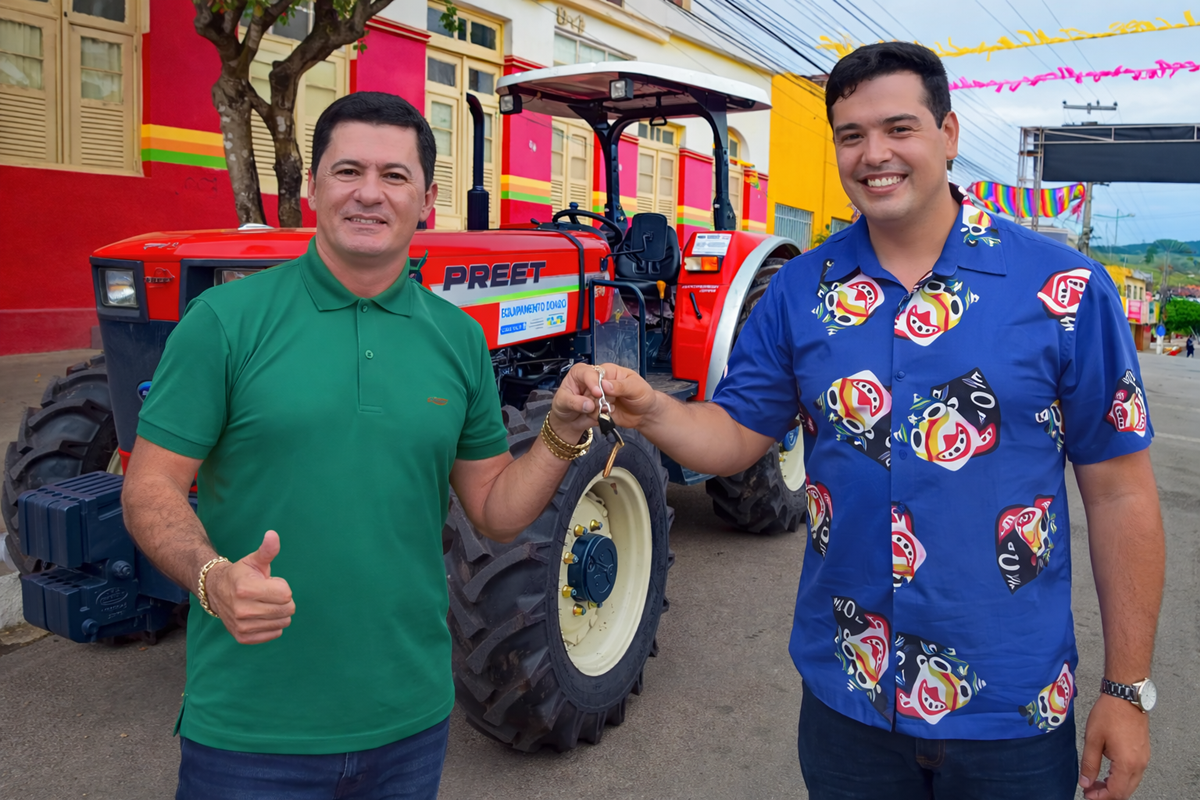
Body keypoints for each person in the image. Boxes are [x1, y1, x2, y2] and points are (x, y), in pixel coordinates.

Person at [583, 42, 1164, 800]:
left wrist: (1127, 690)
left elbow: (1121, 493)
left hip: (1012, 708)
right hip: (849, 701)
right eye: (851, 135)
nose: (874, 154)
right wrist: (654, 408)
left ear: (948, 134)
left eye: (899, 128)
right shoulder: (800, 291)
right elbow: (735, 436)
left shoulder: (1064, 290)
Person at [122, 92, 604, 799]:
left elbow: (496, 513)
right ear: (313, 188)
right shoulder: (224, 321)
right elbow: (149, 487)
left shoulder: (458, 338)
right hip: (251, 733)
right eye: (348, 171)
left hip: (409, 727)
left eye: (394, 175)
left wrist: (560, 434)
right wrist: (211, 577)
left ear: (427, 200)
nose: (369, 193)